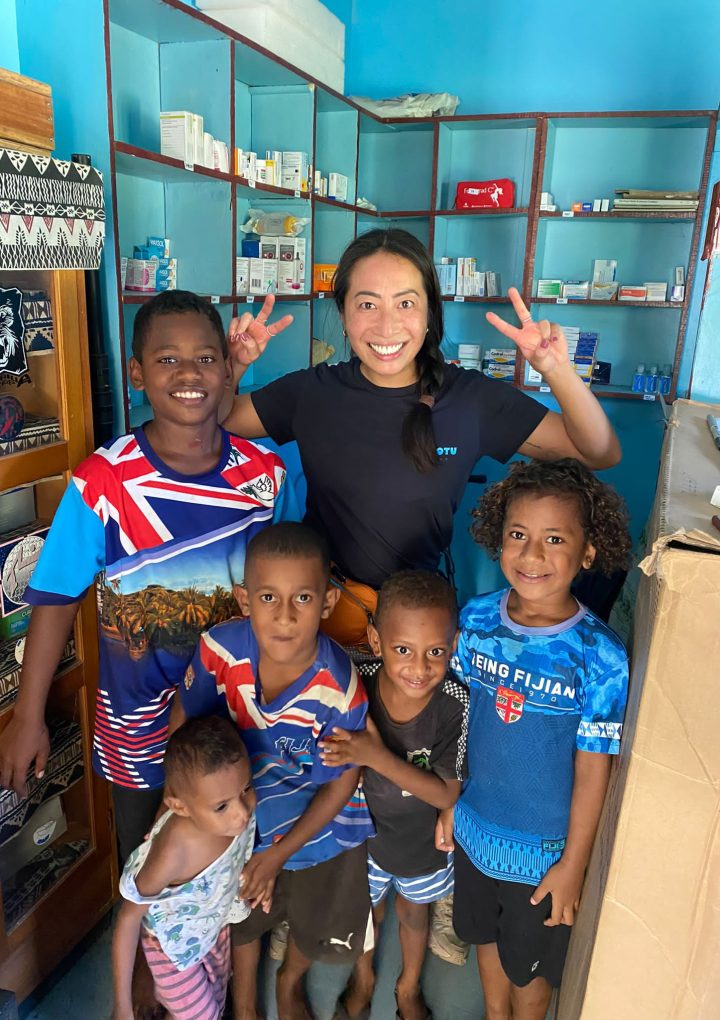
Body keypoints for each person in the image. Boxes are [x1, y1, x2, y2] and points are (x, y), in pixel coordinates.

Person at [0, 290, 295, 1017]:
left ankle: (223, 994)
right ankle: (143, 1000)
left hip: (240, 726)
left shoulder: (266, 476)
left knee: (233, 869)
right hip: (134, 737)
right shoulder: (102, 483)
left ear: (229, 371)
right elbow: (55, 599)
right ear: (136, 373)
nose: (188, 373)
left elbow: (288, 584)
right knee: (149, 878)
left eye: (205, 358)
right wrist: (28, 715)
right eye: (167, 359)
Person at [221, 228, 621, 646]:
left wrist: (556, 369)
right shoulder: (311, 393)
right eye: (367, 304)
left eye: (406, 303)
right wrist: (235, 364)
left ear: (430, 312)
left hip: (417, 628)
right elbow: (220, 420)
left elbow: (598, 451)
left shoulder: (471, 399)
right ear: (343, 313)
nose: (387, 325)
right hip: (324, 617)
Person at [438, 459, 631, 1020]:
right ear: (499, 540)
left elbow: (595, 768)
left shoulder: (599, 656)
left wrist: (574, 863)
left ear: (587, 552)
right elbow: (458, 722)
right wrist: (452, 800)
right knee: (485, 939)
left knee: (532, 970)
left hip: (544, 854)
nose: (532, 555)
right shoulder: (474, 621)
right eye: (518, 535)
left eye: (555, 539)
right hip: (475, 831)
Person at [171, 522, 376, 1020]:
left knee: (314, 917)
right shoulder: (218, 651)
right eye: (267, 597)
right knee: (243, 916)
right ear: (244, 600)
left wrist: (280, 853)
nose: (284, 616)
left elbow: (344, 779)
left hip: (315, 825)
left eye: (302, 598)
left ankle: (290, 980)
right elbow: (185, 722)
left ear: (327, 603)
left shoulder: (339, 690)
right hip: (240, 821)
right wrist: (181, 811)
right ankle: (245, 1004)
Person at [319, 570, 468, 1020]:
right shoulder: (356, 681)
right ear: (376, 641)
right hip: (362, 838)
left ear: (454, 644)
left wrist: (375, 756)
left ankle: (407, 987)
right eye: (403, 649)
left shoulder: (454, 703)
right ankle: (363, 977)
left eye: (435, 652)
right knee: (368, 913)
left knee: (413, 915)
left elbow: (445, 793)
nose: (419, 668)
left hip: (422, 843)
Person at [111, 715, 257, 1020]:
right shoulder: (174, 850)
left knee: (215, 1002)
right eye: (222, 806)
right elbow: (128, 919)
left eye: (246, 789)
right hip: (171, 950)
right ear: (179, 806)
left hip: (211, 928)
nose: (241, 813)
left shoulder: (235, 812)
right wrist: (123, 1007)